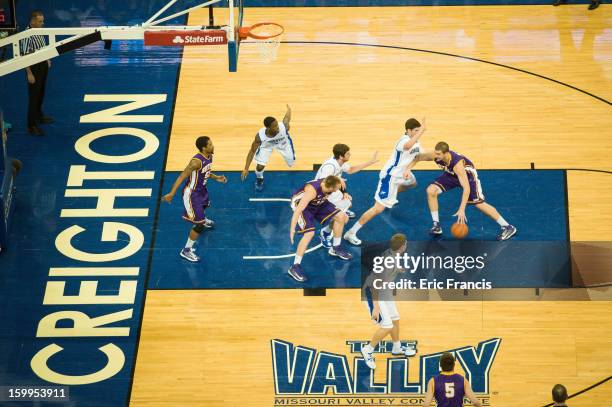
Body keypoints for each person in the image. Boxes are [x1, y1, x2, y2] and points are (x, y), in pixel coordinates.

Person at [344, 118, 425, 246]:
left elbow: (418, 156)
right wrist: (421, 131)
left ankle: (392, 196)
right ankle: (351, 232)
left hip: (403, 174)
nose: (418, 132)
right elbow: (408, 146)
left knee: (412, 183)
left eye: (419, 130)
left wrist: (409, 169)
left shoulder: (417, 142)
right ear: (408, 131)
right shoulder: (403, 141)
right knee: (378, 209)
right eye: (416, 130)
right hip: (390, 177)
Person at [417, 141, 517, 241]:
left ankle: (508, 227)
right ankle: (436, 226)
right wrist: (407, 168)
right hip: (451, 175)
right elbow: (418, 157)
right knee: (431, 191)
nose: (436, 156)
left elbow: (466, 188)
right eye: (435, 153)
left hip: (468, 177)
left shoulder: (457, 164)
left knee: (479, 204)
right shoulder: (436, 155)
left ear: (446, 153)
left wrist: (462, 209)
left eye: (438, 154)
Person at [162, 136, 227, 262]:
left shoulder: (209, 156)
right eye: (210, 144)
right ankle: (186, 250)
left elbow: (206, 171)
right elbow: (182, 176)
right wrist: (171, 193)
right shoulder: (195, 162)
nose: (212, 145)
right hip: (192, 194)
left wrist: (216, 177)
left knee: (205, 206)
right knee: (199, 226)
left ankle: (202, 218)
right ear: (204, 147)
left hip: (201, 190)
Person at [360, 233, 416, 370]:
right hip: (373, 293)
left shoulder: (393, 253)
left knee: (395, 319)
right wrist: (376, 307)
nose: (406, 245)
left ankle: (397, 348)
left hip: (385, 291)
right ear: (403, 246)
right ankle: (367, 350)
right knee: (387, 326)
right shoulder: (388, 262)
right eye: (406, 243)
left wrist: (398, 269)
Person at [288, 175, 352, 282]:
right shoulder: (312, 191)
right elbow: (298, 210)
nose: (338, 190)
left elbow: (338, 181)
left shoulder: (329, 182)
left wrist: (345, 192)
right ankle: (294, 267)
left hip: (318, 202)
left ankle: (335, 247)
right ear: (331, 188)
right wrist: (292, 229)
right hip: (302, 206)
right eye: (337, 189)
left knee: (342, 217)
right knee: (309, 234)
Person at [314, 143, 378, 247]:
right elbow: (322, 183)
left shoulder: (340, 162)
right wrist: (338, 180)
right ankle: (325, 233)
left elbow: (351, 170)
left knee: (348, 203)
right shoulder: (329, 166)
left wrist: (370, 162)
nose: (350, 155)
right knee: (342, 218)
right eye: (348, 153)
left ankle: (337, 216)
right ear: (341, 156)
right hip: (323, 194)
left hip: (333, 191)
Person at [241, 105, 294, 192]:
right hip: (267, 146)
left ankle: (290, 159)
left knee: (291, 163)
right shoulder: (260, 136)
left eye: (277, 124)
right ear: (268, 128)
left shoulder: (284, 127)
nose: (277, 127)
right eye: (274, 126)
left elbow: (287, 118)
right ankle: (259, 179)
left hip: (283, 144)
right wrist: (246, 168)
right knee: (260, 166)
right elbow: (252, 151)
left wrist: (289, 109)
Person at [20, 10, 54, 136]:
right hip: (34, 68)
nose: (42, 23)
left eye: (42, 20)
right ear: (33, 21)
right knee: (33, 97)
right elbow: (24, 56)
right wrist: (29, 73)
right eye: (40, 21)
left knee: (41, 93)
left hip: (42, 65)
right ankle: (31, 125)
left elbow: (42, 46)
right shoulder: (26, 35)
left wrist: (47, 59)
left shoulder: (38, 31)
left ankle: (39, 116)